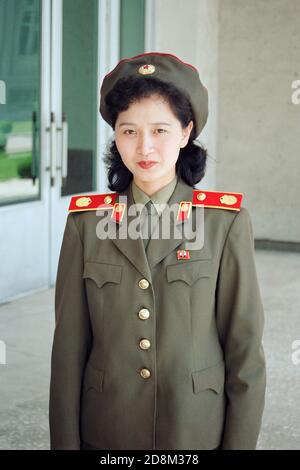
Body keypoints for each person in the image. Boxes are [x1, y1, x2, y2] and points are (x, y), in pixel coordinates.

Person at [49, 52, 266, 450]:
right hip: (108, 429)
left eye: (160, 130)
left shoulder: (224, 222)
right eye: (128, 130)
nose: (144, 147)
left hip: (194, 429)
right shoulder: (86, 223)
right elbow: (67, 354)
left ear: (186, 133)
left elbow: (245, 353)